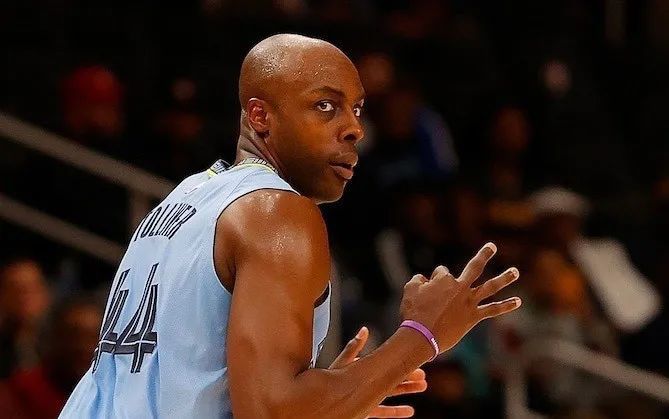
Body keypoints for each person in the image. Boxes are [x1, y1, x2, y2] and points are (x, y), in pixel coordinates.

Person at [59, 34, 522, 418]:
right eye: (326, 106)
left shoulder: (186, 197)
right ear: (260, 116)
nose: (354, 128)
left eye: (357, 109)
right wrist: (423, 334)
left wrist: (333, 400)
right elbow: (271, 413)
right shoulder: (278, 212)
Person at [0, 297, 103, 418]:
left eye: (92, 337)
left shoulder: (113, 394)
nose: (83, 346)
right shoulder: (21, 391)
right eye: (73, 336)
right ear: (54, 338)